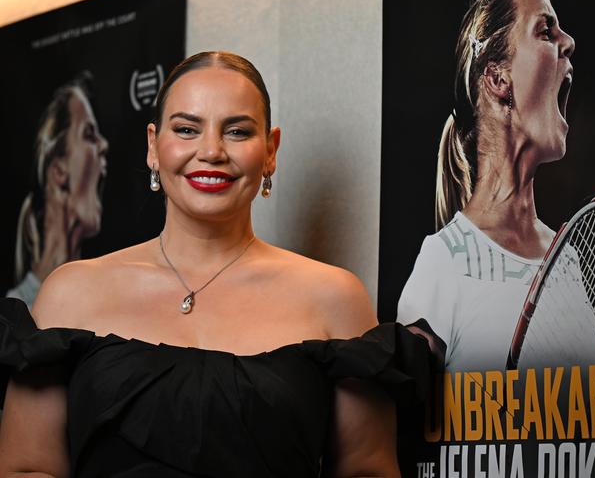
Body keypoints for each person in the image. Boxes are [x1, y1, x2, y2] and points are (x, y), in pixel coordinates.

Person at [0, 51, 434, 477]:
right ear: (154, 146)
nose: (211, 151)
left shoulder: (335, 298)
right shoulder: (69, 293)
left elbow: (367, 469)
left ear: (270, 150)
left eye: (238, 132)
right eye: (187, 129)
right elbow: (27, 468)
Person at [398, 0, 595, 373]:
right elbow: (409, 425)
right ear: (497, 78)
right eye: (545, 30)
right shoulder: (444, 262)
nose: (568, 42)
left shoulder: (567, 261)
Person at [6, 73, 109, 309]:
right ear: (59, 171)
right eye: (89, 134)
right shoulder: (17, 309)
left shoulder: (104, 299)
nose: (105, 145)